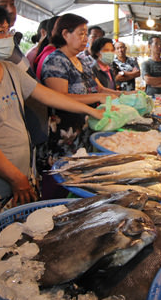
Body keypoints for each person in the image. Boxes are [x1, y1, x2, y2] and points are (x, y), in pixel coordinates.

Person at [0, 3, 104, 214]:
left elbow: (48, 95)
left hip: (25, 171)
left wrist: (92, 111)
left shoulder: (9, 69)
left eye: (8, 30)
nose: (8, 37)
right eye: (0, 32)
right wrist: (15, 178)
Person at [39, 14, 109, 179]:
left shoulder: (83, 61)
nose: (85, 38)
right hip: (65, 133)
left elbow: (99, 88)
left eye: (86, 34)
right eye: (81, 33)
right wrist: (97, 98)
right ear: (65, 34)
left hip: (85, 128)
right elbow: (60, 97)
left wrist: (126, 94)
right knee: (65, 176)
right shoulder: (55, 61)